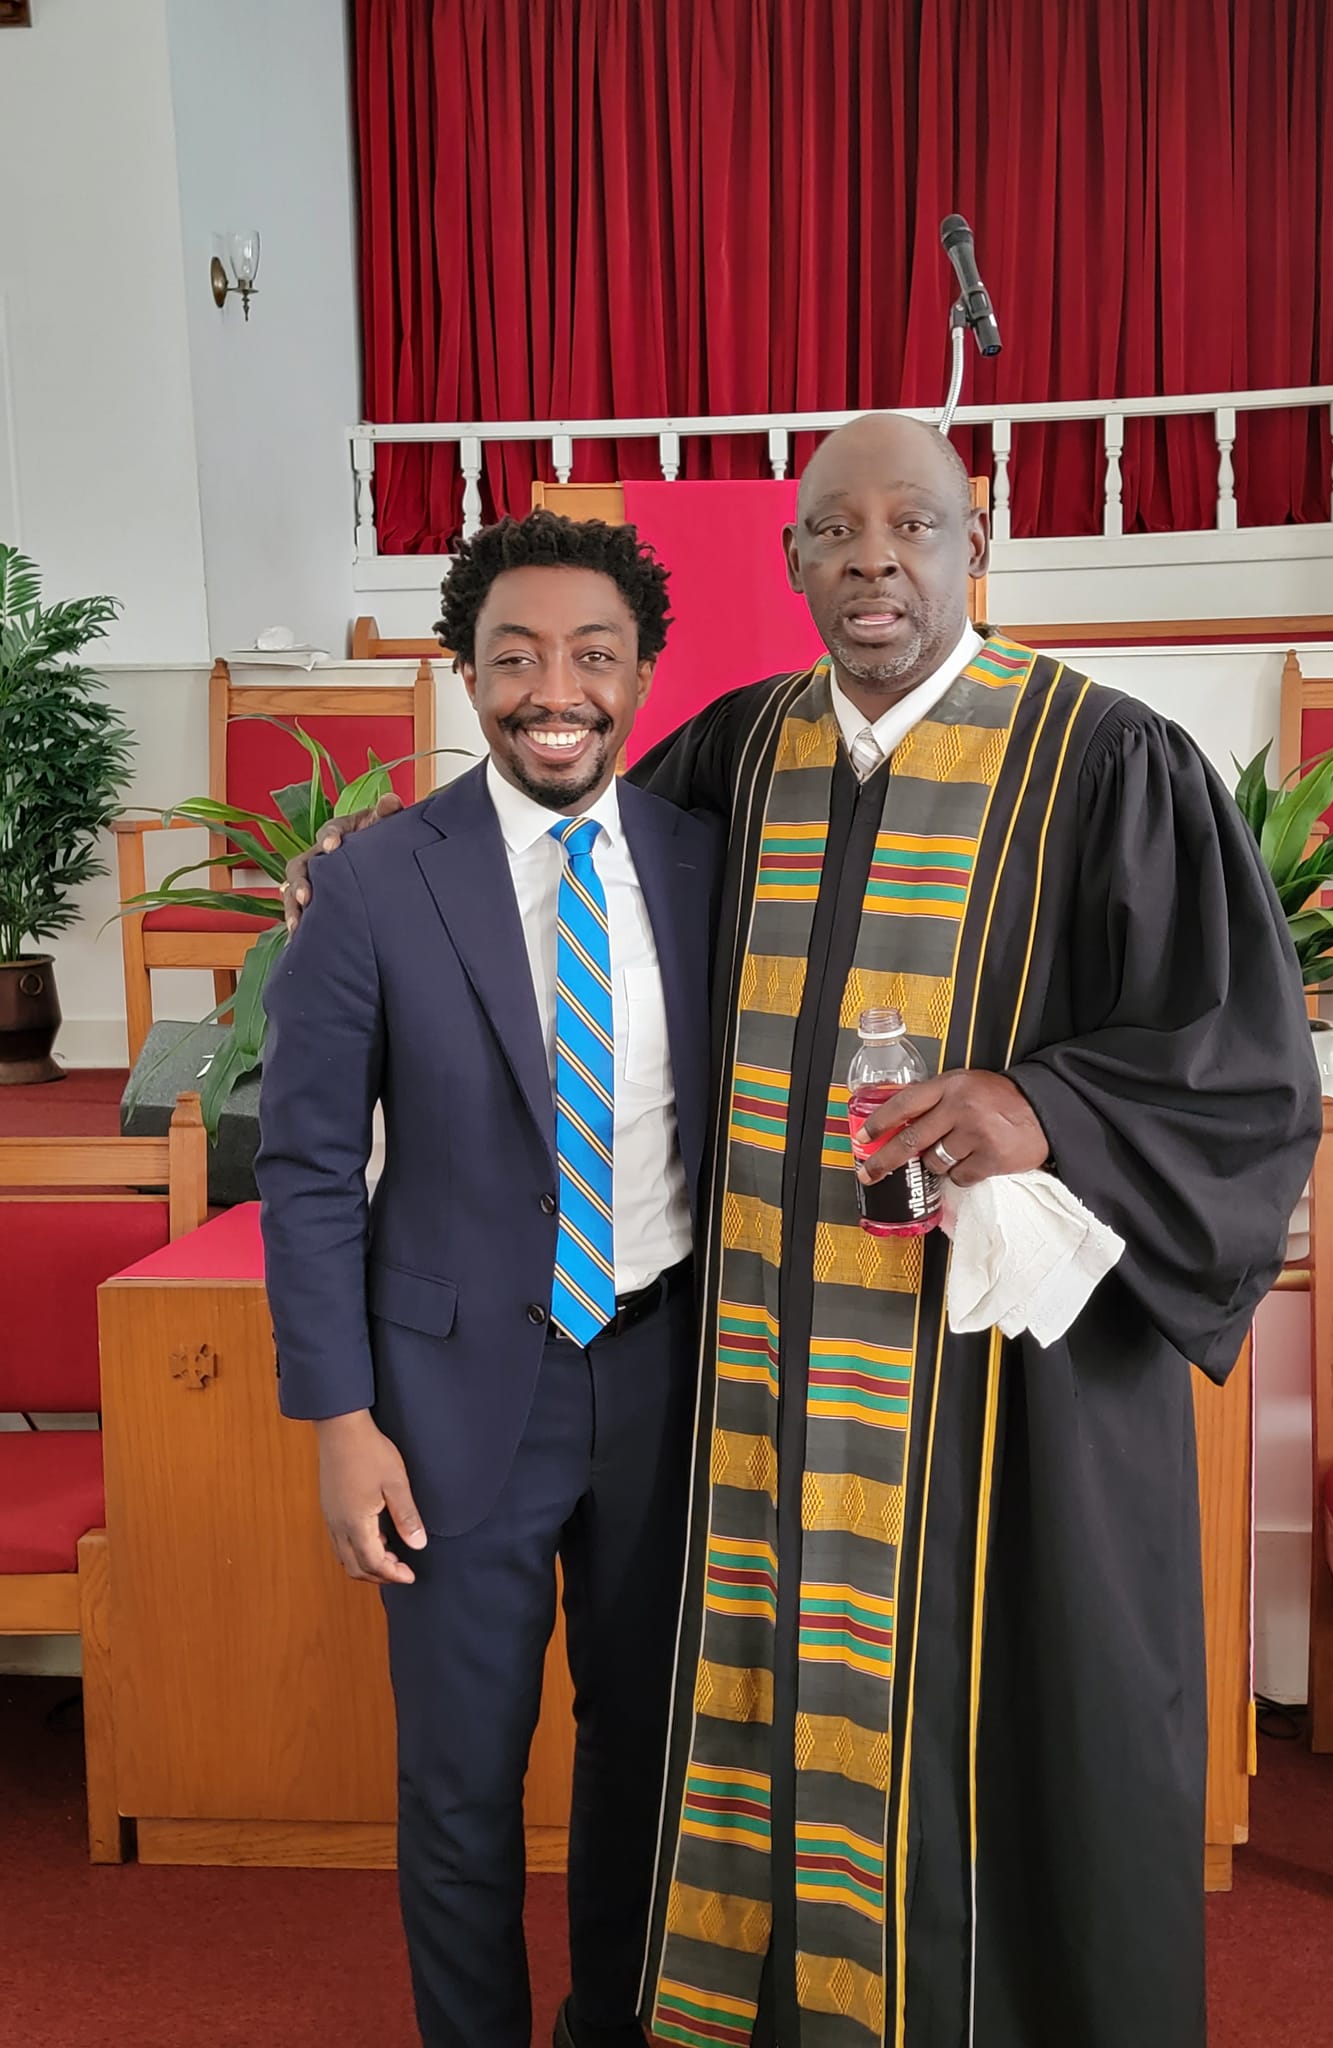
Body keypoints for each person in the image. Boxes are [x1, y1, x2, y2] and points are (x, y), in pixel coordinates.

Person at [287, 413, 1319, 2048]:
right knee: (725, 1742)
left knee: (998, 1739)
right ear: (791, 564)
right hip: (761, 1390)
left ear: (980, 547)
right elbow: (549, 827)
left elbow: (1246, 1072)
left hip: (992, 1421)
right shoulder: (744, 753)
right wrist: (374, 863)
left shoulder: (1101, 762)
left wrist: (1041, 1105)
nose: (873, 561)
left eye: (913, 526)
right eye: (835, 531)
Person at [257, 510, 718, 2048]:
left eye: (592, 654)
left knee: (640, 1759)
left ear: (642, 673)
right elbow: (309, 1166)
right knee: (459, 1779)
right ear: (465, 675)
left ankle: (614, 2026)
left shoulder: (708, 865)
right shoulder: (377, 884)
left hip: (665, 1378)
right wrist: (340, 1421)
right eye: (514, 656)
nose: (553, 688)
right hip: (451, 1410)